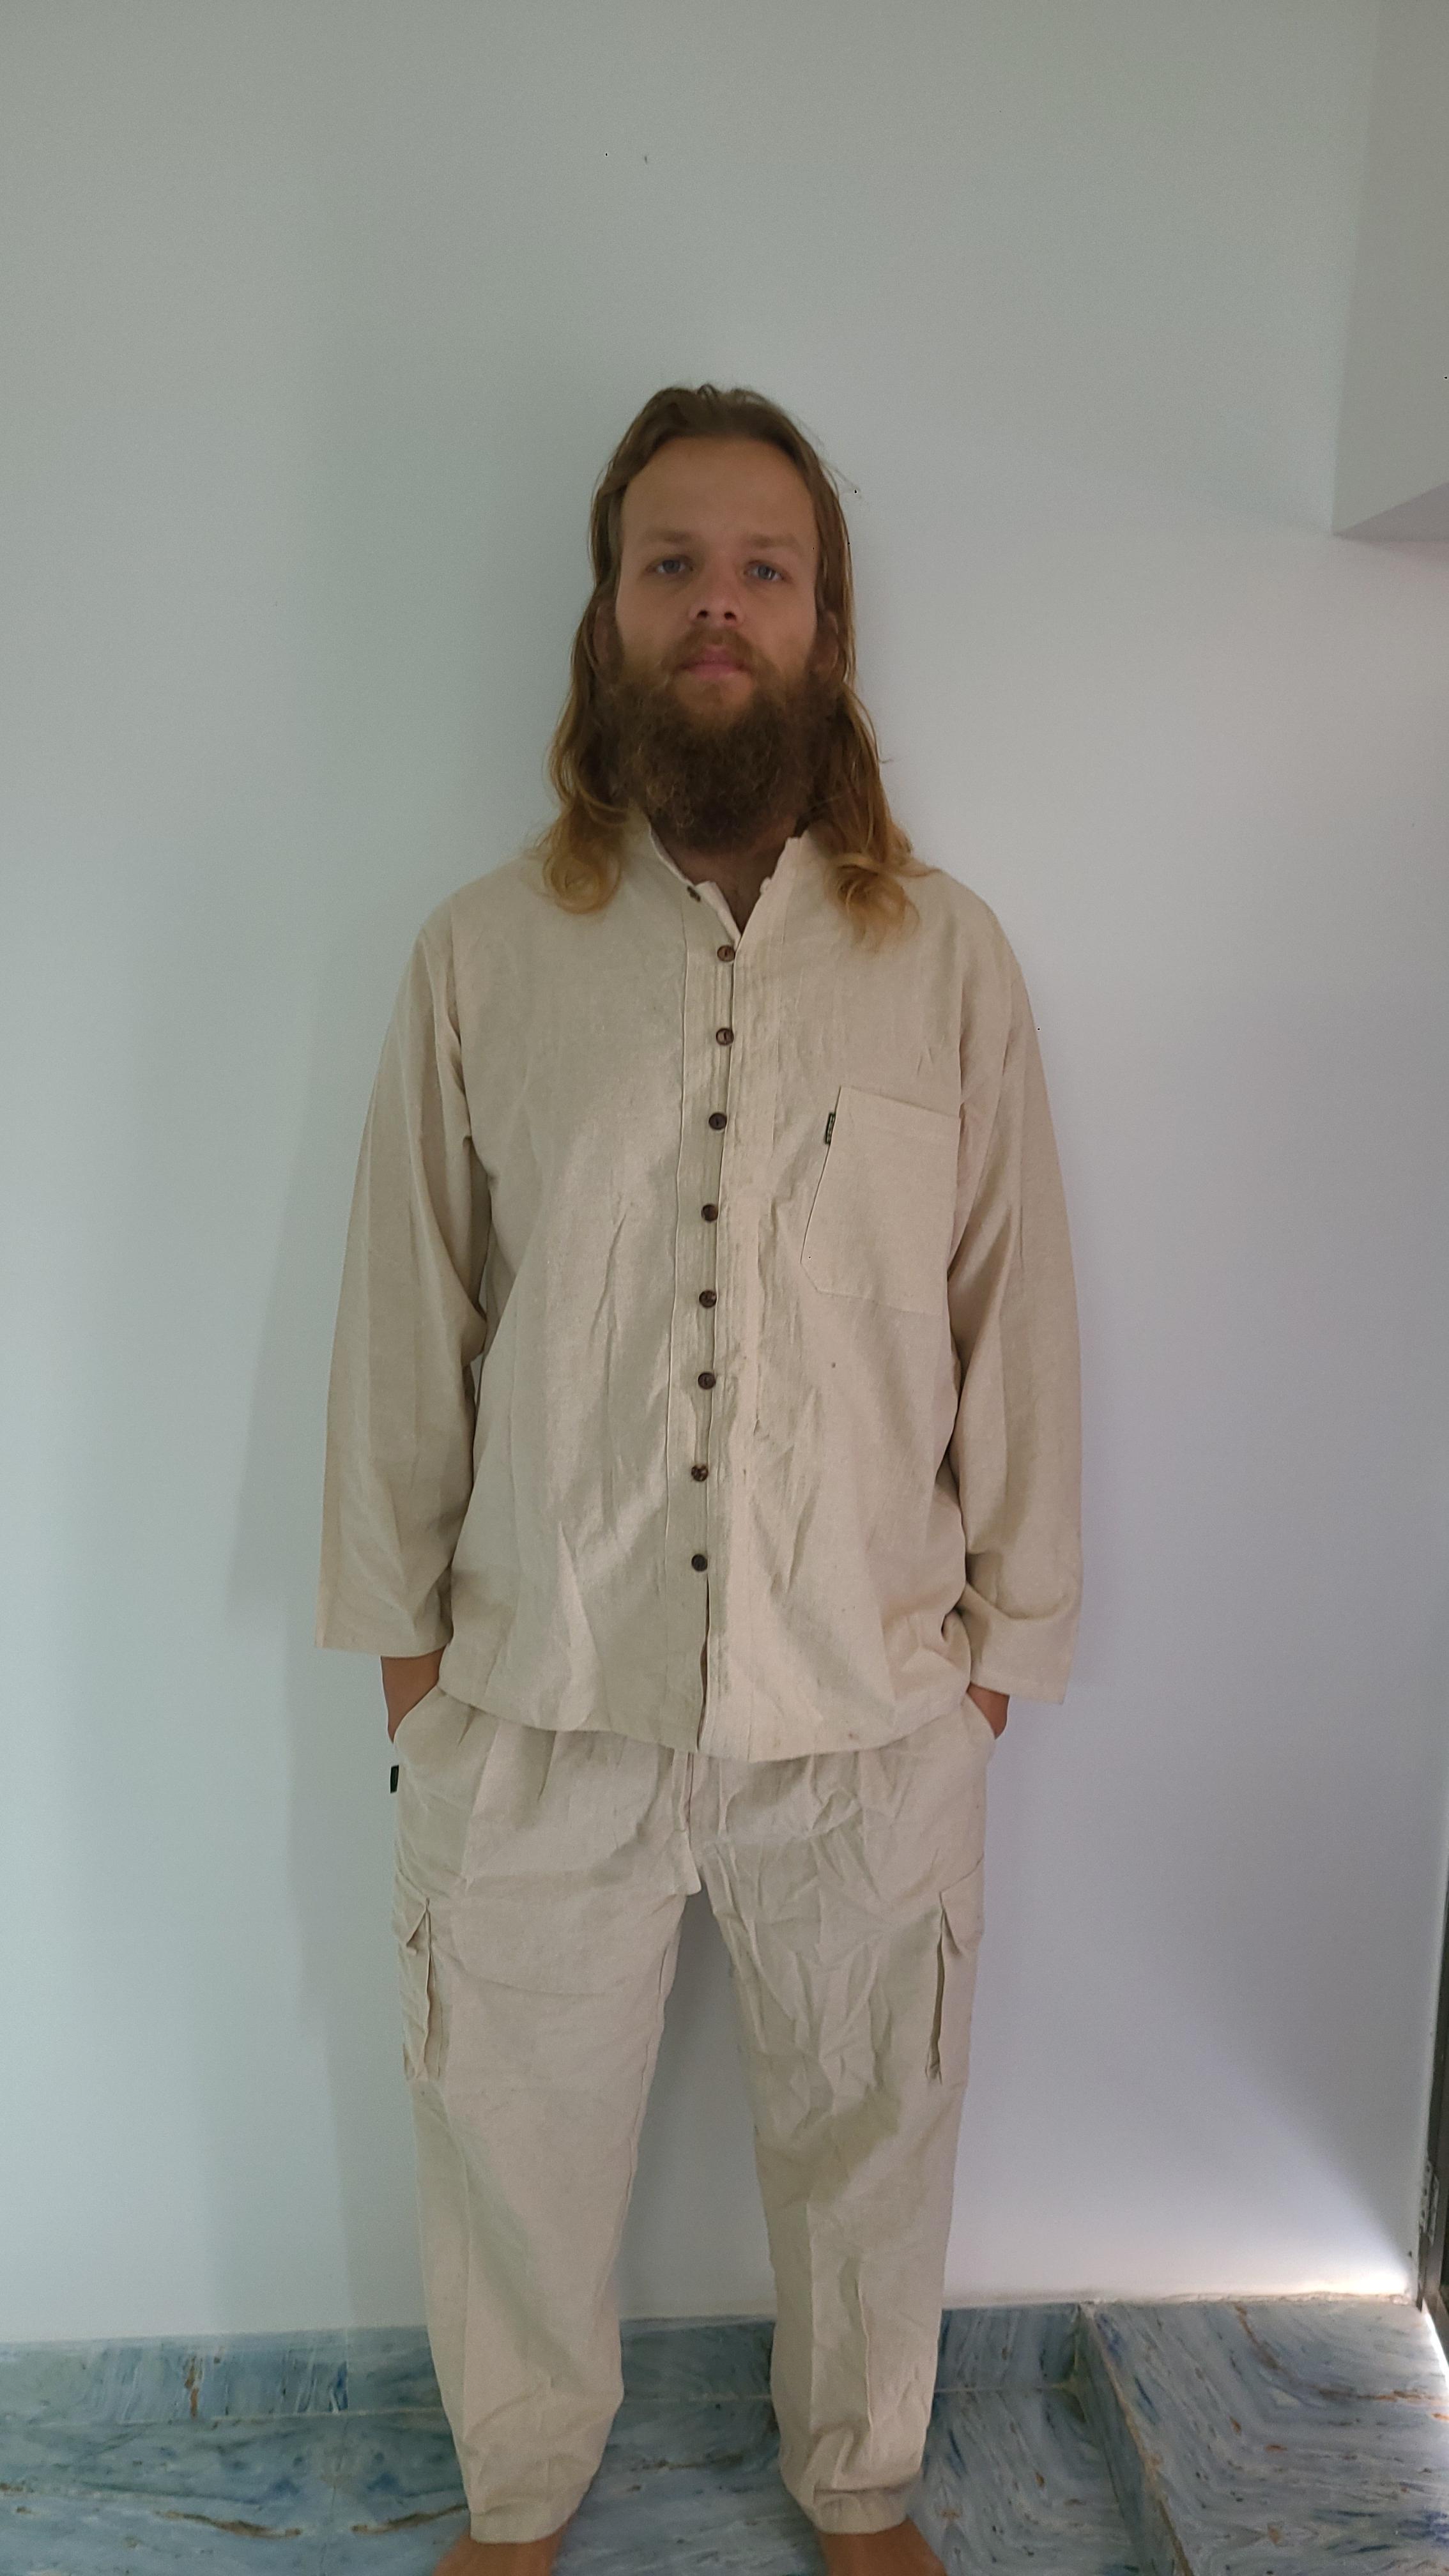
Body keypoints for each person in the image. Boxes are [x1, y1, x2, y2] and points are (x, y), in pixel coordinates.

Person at [316, 382, 1082, 2575]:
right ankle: (516, 2503)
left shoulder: (945, 961)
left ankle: (859, 2493)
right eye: (672, 566)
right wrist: (412, 1672)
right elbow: (406, 1317)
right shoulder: (484, 957)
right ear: (608, 619)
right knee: (509, 2145)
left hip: (869, 1709)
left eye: (763, 568)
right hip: (536, 1699)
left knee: (873, 2143)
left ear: (826, 626)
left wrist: (993, 1664)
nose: (716, 606)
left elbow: (1011, 1313)